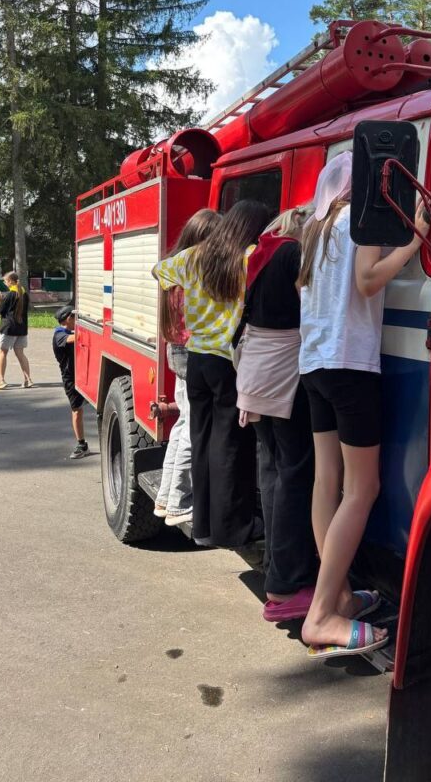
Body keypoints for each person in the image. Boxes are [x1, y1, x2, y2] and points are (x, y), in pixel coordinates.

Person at [298, 152, 429, 659]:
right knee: (363, 488)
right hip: (350, 364)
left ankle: (340, 596)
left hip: (315, 365)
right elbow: (368, 280)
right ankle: (321, 616)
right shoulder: (362, 218)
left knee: (326, 481)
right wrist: (414, 241)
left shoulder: (315, 228)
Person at [153, 200, 271, 548]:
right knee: (229, 445)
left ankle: (203, 524)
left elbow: (158, 272)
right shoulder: (247, 257)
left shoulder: (193, 256)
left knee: (202, 440)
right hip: (226, 362)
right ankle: (232, 528)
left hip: (197, 360)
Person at [234, 205, 318, 621]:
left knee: (271, 470)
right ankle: (288, 581)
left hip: (256, 374)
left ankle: (274, 566)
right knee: (295, 475)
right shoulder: (292, 254)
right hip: (283, 375)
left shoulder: (260, 252)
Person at [154, 209, 222, 526]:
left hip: (176, 349)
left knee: (183, 425)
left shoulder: (175, 268)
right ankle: (180, 501)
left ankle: (166, 498)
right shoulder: (194, 271)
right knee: (193, 430)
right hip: (190, 352)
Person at [52, 305, 89, 459]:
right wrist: (89, 330)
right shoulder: (59, 334)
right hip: (70, 379)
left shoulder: (68, 331)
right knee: (77, 410)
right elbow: (73, 338)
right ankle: (81, 445)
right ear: (68, 319)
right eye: (75, 318)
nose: (77, 321)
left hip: (81, 375)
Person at [0, 271, 32, 389]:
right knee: (20, 353)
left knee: (2, 352)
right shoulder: (24, 293)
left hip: (9, 328)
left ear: (10, 281)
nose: (4, 283)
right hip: (21, 328)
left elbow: (1, 311)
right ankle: (28, 379)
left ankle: (1, 380)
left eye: (5, 281)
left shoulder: (10, 294)